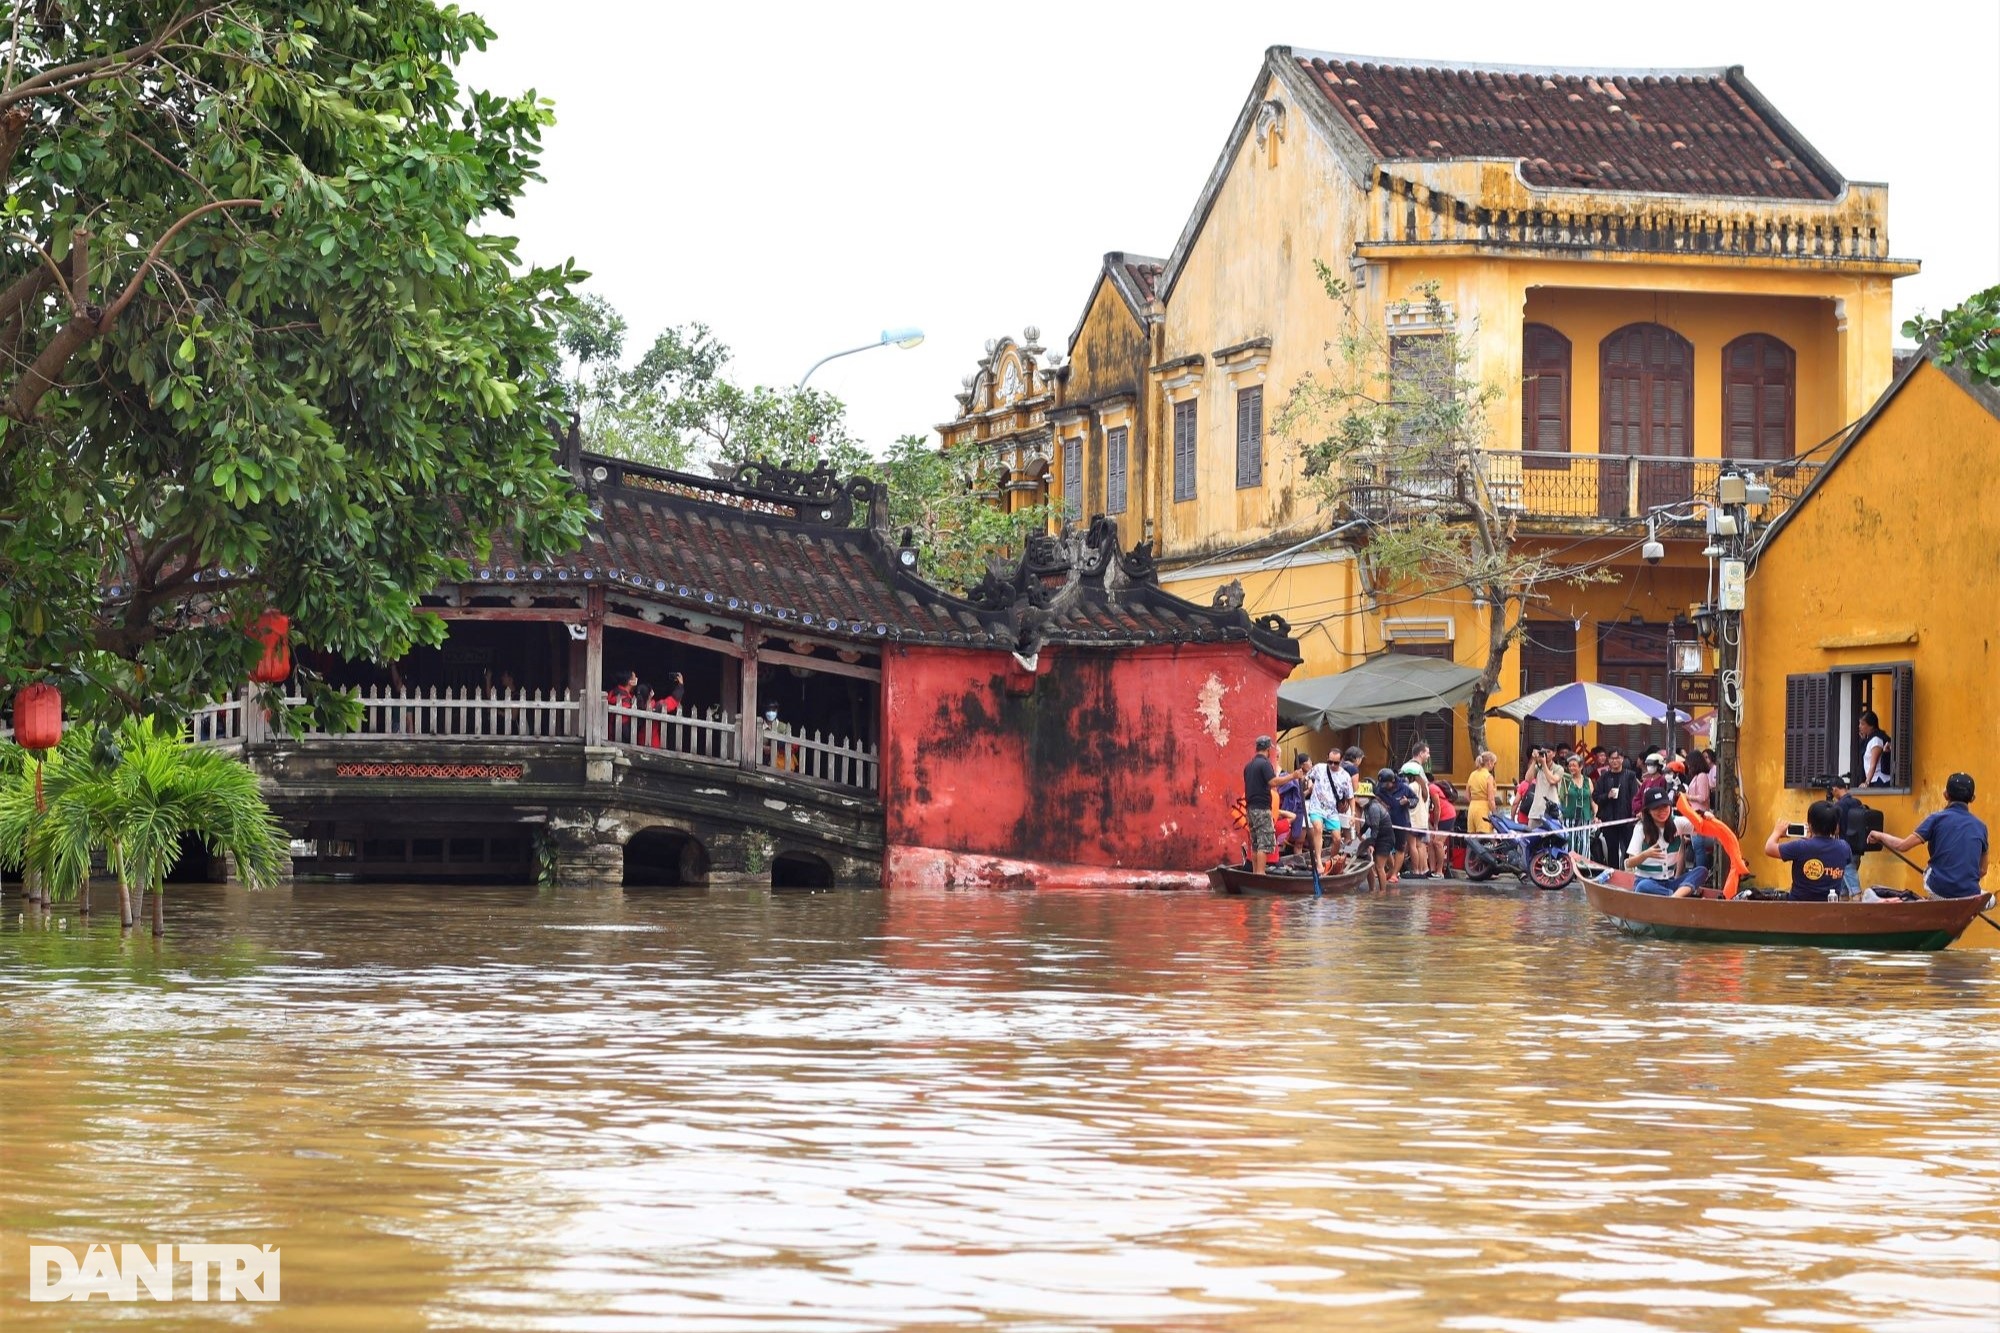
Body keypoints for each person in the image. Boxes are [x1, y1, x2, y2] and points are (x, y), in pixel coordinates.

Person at [1872, 772, 1988, 898]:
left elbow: (1902, 846)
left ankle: (1937, 897)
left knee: (1930, 870)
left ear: (1945, 795)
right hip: (1969, 892)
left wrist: (1879, 835)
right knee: (1990, 899)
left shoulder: (1936, 819)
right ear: (1972, 798)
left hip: (1938, 888)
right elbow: (1983, 870)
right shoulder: (1981, 826)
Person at [1765, 801, 1852, 901]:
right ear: (1836, 826)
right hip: (1829, 906)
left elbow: (1769, 848)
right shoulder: (1844, 847)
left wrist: (1777, 832)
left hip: (1798, 906)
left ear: (1810, 825)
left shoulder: (1800, 846)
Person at [1625, 787, 1704, 897]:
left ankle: (1675, 896)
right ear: (1648, 811)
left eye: (1665, 806)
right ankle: (1677, 895)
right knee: (1643, 886)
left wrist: (1705, 816)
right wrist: (1646, 854)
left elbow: (1701, 825)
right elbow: (1629, 863)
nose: (1662, 811)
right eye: (1656, 808)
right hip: (1648, 882)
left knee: (1701, 871)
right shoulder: (1640, 828)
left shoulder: (1677, 823)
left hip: (1670, 883)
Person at [1825, 775, 1874, 896]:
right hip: (1857, 847)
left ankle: (1858, 911)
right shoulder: (1857, 802)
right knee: (1842, 891)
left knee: (1854, 890)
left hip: (1844, 849)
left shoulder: (1838, 806)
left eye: (1832, 791)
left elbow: (1835, 830)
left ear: (1835, 789)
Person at [1592, 750, 1639, 869]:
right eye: (1612, 759)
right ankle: (1614, 873)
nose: (1614, 761)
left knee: (1629, 848)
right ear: (1608, 760)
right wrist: (1607, 796)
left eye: (1617, 758)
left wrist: (1634, 815)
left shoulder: (1630, 776)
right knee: (1611, 849)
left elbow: (1635, 797)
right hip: (1609, 819)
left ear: (1622, 759)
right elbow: (1595, 796)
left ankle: (1629, 872)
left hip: (1626, 820)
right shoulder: (1604, 777)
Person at [1242, 736, 1279, 874]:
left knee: (1256, 844)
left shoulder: (1248, 766)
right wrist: (1293, 776)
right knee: (1264, 843)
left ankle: (1255, 873)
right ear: (1268, 749)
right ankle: (1261, 874)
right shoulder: (1264, 764)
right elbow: (1273, 782)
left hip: (1250, 809)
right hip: (1262, 809)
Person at [1356, 780, 1396, 891]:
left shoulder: (1373, 808)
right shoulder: (1367, 807)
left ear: (1367, 797)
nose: (1358, 798)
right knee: (1368, 865)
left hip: (1385, 839)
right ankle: (1372, 889)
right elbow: (1368, 823)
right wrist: (1360, 833)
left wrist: (1371, 844)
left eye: (1360, 796)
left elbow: (1375, 828)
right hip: (1377, 836)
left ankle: (1382, 892)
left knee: (1379, 866)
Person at [1377, 766, 1411, 884]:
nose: (1383, 787)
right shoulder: (1381, 789)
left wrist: (1408, 802)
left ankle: (1395, 874)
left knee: (1399, 848)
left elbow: (1415, 799)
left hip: (1401, 822)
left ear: (1392, 781)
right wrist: (1381, 803)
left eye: (1385, 784)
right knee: (1385, 847)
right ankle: (1391, 870)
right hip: (1386, 822)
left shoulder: (1404, 788)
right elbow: (1374, 796)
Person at [1401, 758, 1432, 878]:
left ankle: (1415, 870)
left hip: (1413, 820)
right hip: (1423, 820)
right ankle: (1423, 869)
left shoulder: (1412, 786)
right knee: (1420, 845)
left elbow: (1407, 801)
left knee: (1412, 845)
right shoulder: (1424, 786)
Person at [1558, 753, 1594, 857]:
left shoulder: (1588, 781)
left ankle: (1583, 869)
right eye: (1569, 766)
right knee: (1570, 844)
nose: (1571, 768)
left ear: (1581, 766)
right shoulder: (1566, 781)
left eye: (1574, 765)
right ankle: (1570, 869)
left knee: (1584, 844)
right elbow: (1561, 798)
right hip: (1569, 817)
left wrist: (1595, 814)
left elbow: (1591, 799)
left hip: (1585, 817)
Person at [1858, 709, 1894, 787]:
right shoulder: (1869, 739)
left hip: (1880, 780)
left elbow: (1873, 765)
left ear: (1871, 726)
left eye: (1863, 724)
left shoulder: (1876, 740)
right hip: (1874, 779)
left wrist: (1866, 782)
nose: (1860, 726)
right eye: (1860, 723)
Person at [1466, 751, 1498, 836]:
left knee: (1472, 840)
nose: (1494, 765)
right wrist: (1495, 813)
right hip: (1483, 809)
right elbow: (1491, 799)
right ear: (1489, 763)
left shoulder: (1472, 774)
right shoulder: (1488, 777)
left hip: (1472, 808)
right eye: (1494, 763)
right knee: (1485, 838)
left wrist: (1474, 802)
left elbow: (1467, 795)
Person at [1527, 746, 1562, 822]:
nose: (1545, 754)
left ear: (1554, 754)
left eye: (1548, 752)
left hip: (1552, 811)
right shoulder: (1538, 768)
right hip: (1536, 812)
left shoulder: (1558, 768)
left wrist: (1544, 764)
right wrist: (1534, 760)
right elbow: (1528, 779)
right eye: (1543, 752)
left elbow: (1552, 780)